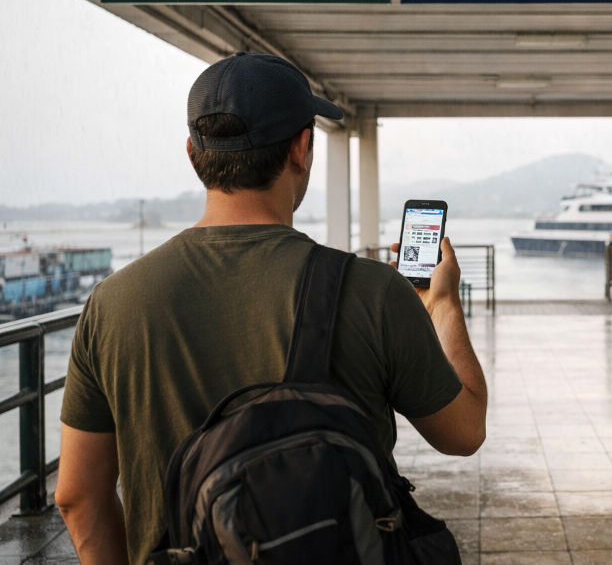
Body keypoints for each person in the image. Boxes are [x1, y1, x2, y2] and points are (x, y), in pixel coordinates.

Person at [54, 51, 487, 565]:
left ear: (193, 154)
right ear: (302, 149)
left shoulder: (112, 303)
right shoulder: (373, 291)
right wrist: (443, 304)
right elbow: (465, 433)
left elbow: (77, 497)